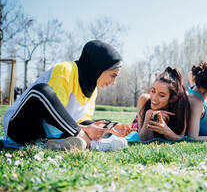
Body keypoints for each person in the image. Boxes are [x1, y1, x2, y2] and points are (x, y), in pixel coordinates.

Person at [2, 40, 131, 151]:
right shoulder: (65, 70)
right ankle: (90, 143)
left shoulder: (93, 90)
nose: (113, 82)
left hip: (44, 135)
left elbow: (78, 120)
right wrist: (83, 132)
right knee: (41, 91)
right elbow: (50, 116)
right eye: (113, 75)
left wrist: (108, 127)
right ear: (98, 67)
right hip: (20, 128)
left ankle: (57, 144)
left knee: (85, 127)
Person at [137, 67, 190, 141]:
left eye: (161, 95)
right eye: (153, 91)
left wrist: (165, 130)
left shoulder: (182, 104)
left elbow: (182, 138)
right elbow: (142, 139)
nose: (154, 98)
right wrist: (149, 115)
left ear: (172, 98)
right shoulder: (144, 100)